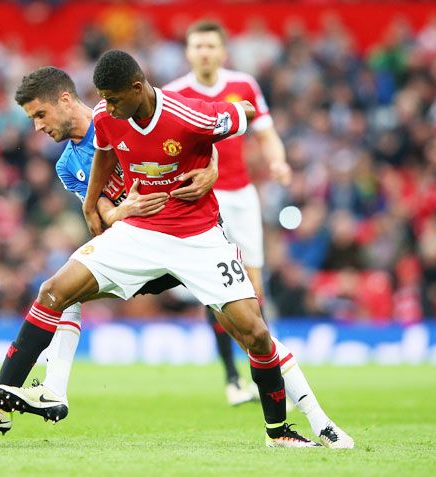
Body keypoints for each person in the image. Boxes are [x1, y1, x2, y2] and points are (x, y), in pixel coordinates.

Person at [0, 52, 321, 448]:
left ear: (64, 100)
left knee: (251, 331)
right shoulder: (67, 165)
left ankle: (311, 417)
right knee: (58, 292)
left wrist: (211, 167)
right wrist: (117, 211)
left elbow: (188, 139)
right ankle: (25, 398)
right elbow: (101, 215)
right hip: (140, 245)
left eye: (39, 115)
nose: (37, 127)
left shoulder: (121, 114)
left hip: (191, 235)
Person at [164, 19, 291, 406]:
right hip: (198, 199)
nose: (204, 52)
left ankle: (263, 371)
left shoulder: (244, 86)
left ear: (223, 51)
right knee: (213, 288)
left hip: (240, 195)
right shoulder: (173, 94)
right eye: (197, 46)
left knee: (253, 285)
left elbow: (266, 132)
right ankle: (233, 378)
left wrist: (279, 162)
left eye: (210, 46)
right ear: (188, 52)